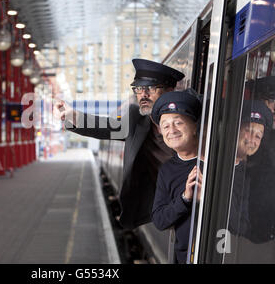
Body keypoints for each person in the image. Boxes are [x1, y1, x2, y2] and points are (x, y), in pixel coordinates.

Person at [55, 59, 185, 229]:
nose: (143, 94)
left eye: (151, 88)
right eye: (138, 89)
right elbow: (104, 126)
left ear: (170, 90)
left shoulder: (188, 118)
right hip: (167, 206)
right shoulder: (136, 120)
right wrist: (71, 115)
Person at [150, 90, 202, 264]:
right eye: (165, 126)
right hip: (184, 258)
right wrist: (185, 198)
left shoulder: (215, 161)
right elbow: (159, 220)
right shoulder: (167, 170)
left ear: (194, 126)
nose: (171, 130)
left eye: (178, 123)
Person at [229, 99, 273, 240]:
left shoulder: (251, 174)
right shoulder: (222, 166)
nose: (252, 140)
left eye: (258, 136)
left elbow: (243, 225)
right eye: (248, 131)